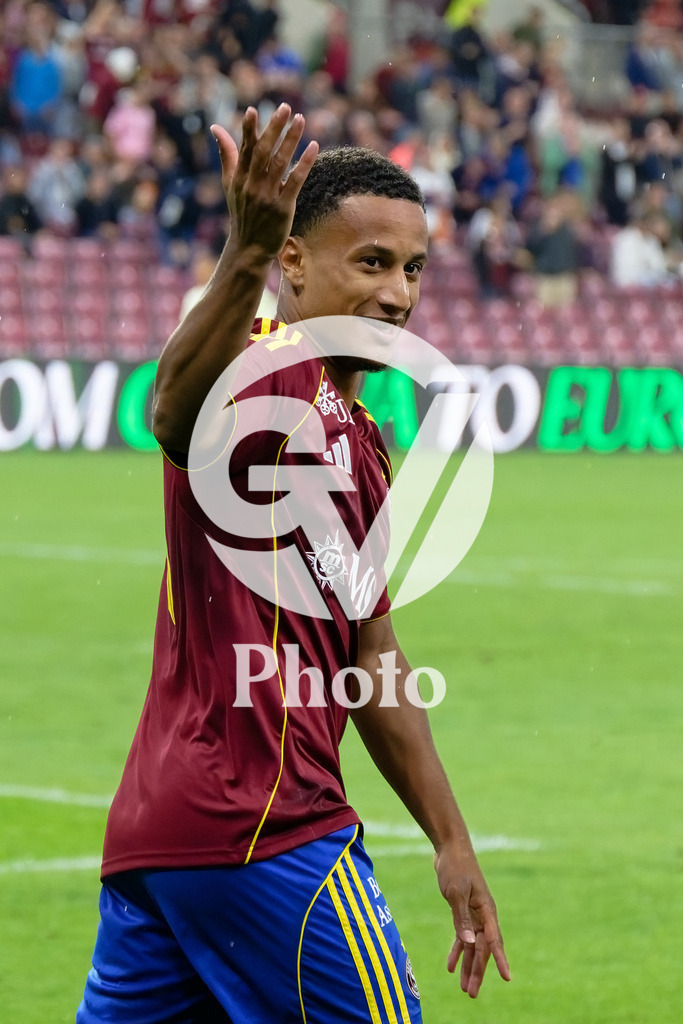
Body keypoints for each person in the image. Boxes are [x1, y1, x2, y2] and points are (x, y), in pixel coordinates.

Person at [77, 103, 509, 1024]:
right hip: (271, 831)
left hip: (166, 839)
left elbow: (371, 655)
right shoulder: (270, 371)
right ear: (296, 263)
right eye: (370, 262)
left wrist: (449, 839)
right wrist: (242, 253)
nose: (398, 295)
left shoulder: (366, 439)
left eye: (412, 269)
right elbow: (171, 417)